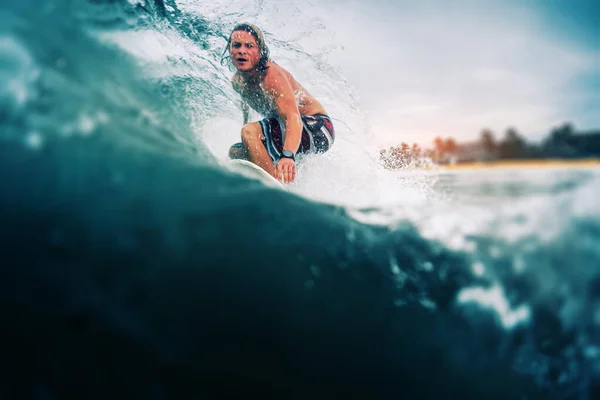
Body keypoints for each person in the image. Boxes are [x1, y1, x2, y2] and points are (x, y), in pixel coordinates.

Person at [222, 23, 335, 184]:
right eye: (236, 45)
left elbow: (292, 117)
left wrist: (288, 155)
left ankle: (273, 186)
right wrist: (250, 141)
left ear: (260, 52)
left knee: (249, 132)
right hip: (294, 130)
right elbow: (247, 112)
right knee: (237, 151)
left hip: (318, 128)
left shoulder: (270, 75)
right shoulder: (238, 82)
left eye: (249, 46)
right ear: (230, 50)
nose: (242, 50)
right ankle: (283, 181)